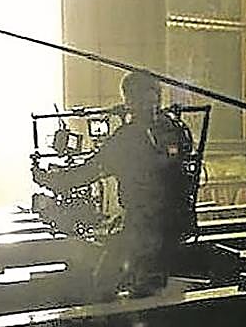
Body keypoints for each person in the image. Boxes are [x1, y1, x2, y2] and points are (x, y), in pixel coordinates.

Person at [33, 71, 194, 301]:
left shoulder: (126, 139)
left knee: (104, 287)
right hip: (175, 225)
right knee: (157, 288)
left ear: (129, 100)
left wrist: (49, 179)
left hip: (142, 229)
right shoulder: (173, 129)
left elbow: (86, 173)